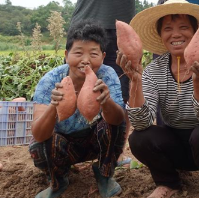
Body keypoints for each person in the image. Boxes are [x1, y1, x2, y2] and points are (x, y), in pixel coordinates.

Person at [117, 0, 199, 198]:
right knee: (139, 138)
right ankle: (168, 182)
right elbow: (141, 122)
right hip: (176, 142)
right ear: (161, 35)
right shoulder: (154, 70)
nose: (176, 34)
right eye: (168, 29)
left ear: (195, 32)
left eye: (183, 27)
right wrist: (135, 81)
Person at [29, 20, 126, 198]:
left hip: (95, 140)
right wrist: (53, 106)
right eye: (78, 53)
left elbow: (117, 119)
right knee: (38, 145)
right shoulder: (51, 80)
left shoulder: (107, 75)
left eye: (93, 54)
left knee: (118, 121)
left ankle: (104, 174)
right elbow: (39, 133)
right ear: (66, 55)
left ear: (103, 56)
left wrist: (106, 102)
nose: (85, 61)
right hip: (64, 146)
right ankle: (58, 180)